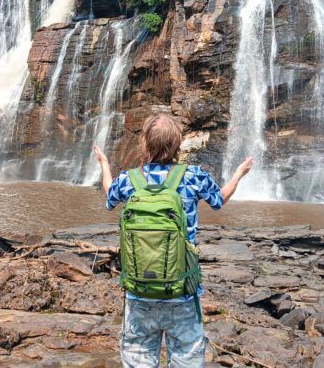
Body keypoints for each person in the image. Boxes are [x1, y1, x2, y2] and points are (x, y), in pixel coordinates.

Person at [93, 113, 253, 368]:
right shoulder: (194, 176)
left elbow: (110, 197)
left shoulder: (128, 180)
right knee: (187, 358)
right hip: (183, 293)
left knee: (138, 358)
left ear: (144, 144)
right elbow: (219, 200)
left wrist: (104, 164)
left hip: (139, 291)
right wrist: (238, 174)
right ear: (178, 144)